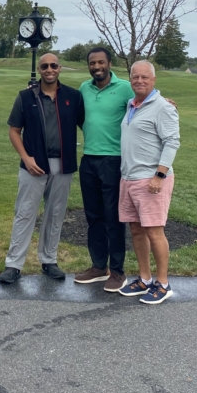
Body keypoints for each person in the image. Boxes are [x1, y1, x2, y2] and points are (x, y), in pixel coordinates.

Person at [0, 53, 85, 284]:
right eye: (45, 66)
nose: (49, 69)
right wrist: (26, 158)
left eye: (53, 65)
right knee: (25, 213)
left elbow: (91, 120)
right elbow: (14, 131)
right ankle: (14, 264)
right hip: (33, 165)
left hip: (63, 164)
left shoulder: (73, 97)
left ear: (60, 68)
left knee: (55, 214)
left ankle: (49, 260)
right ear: (39, 69)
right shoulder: (26, 96)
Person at [117, 60, 180, 304]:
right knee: (136, 229)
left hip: (152, 180)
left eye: (145, 77)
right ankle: (144, 279)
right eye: (135, 77)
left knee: (154, 231)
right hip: (129, 178)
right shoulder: (131, 105)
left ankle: (163, 284)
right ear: (130, 79)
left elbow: (172, 142)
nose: (139, 81)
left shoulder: (163, 107)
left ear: (153, 80)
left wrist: (159, 175)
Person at [73, 47, 134, 293]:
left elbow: (145, 104)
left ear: (109, 64)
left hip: (114, 160)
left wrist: (166, 102)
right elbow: (79, 117)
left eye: (101, 62)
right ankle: (99, 267)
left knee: (113, 217)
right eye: (92, 63)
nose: (96, 67)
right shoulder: (84, 88)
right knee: (93, 216)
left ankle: (117, 271)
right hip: (89, 159)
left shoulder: (125, 88)